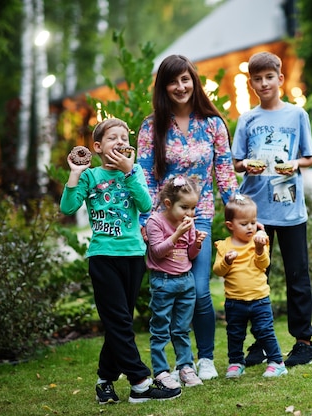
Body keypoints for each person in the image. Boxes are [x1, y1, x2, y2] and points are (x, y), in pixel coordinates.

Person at [59, 118, 181, 404]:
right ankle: (140, 383)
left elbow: (146, 205)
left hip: (133, 256)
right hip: (103, 257)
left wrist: (130, 172)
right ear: (98, 147)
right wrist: (76, 173)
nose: (120, 142)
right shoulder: (91, 176)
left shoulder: (133, 171)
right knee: (119, 321)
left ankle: (105, 381)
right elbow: (67, 206)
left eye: (124, 138)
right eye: (112, 138)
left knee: (119, 321)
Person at [137, 54, 238, 380]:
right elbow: (145, 179)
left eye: (185, 79)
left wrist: (240, 216)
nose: (180, 87)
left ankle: (205, 358)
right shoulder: (151, 127)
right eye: (173, 81)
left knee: (198, 291)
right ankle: (177, 363)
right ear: (163, 87)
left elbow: (225, 176)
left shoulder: (213, 124)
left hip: (201, 218)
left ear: (194, 81)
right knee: (168, 292)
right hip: (163, 224)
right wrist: (145, 222)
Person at [231, 52, 312, 367]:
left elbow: (309, 157)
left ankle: (304, 342)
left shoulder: (297, 116)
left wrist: (295, 163)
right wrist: (247, 167)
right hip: (256, 212)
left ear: (280, 79)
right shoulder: (247, 119)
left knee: (297, 275)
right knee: (255, 277)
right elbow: (235, 161)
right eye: (258, 78)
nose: (264, 83)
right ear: (251, 83)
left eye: (269, 76)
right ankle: (260, 343)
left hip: (290, 207)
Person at [213, 194, 288, 378]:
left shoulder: (259, 242)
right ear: (230, 225)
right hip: (234, 302)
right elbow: (218, 270)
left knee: (265, 331)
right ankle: (236, 362)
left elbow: (263, 265)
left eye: (253, 222)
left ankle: (276, 362)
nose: (250, 227)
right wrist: (227, 261)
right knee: (235, 334)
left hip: (259, 299)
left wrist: (261, 249)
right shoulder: (224, 246)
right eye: (244, 223)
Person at [146, 176, 207, 389]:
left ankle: (185, 367)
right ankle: (161, 372)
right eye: (185, 207)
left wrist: (197, 243)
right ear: (168, 204)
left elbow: (189, 254)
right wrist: (178, 233)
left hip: (186, 282)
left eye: (193, 208)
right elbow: (157, 252)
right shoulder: (155, 221)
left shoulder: (187, 222)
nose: (190, 213)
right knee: (160, 330)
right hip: (163, 283)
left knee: (181, 329)